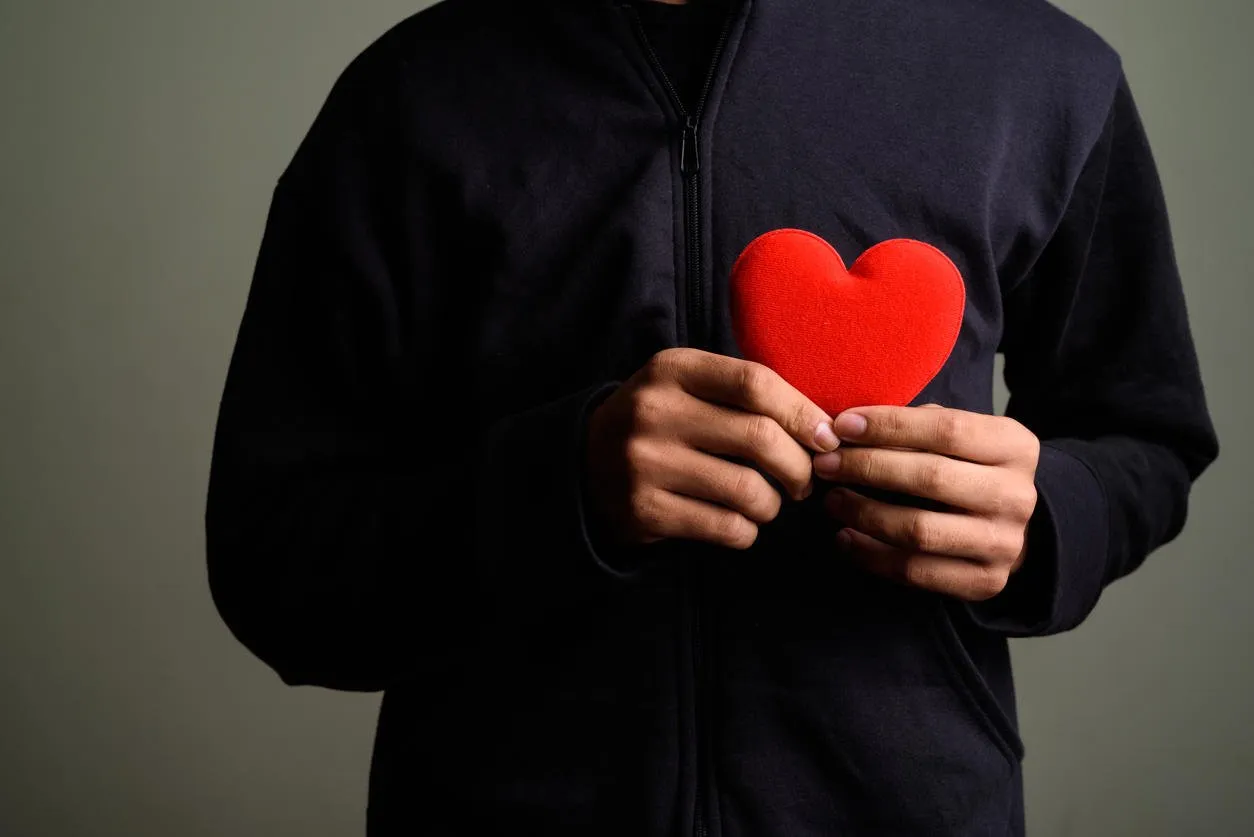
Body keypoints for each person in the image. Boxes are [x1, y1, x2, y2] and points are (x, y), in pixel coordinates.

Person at [205, 0, 1219, 834]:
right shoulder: (406, 104)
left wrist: (1044, 521)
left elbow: (1146, 433)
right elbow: (272, 565)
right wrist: (564, 487)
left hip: (912, 812)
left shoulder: (1040, 74)